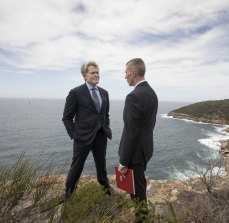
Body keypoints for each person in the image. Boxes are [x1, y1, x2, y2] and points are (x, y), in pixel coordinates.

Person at [62, 61, 112, 200]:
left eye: (97, 72)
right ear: (85, 76)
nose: (96, 75)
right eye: (93, 73)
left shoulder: (104, 93)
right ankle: (69, 193)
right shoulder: (76, 93)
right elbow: (67, 118)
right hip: (82, 138)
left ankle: (106, 189)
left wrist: (105, 127)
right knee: (76, 167)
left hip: (101, 135)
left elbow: (105, 114)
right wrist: (75, 135)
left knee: (101, 165)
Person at [118, 58, 158, 220]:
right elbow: (149, 125)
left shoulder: (133, 97)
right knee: (139, 187)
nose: (125, 76)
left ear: (133, 73)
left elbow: (131, 132)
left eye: (126, 72)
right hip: (145, 150)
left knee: (137, 193)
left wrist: (123, 161)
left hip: (134, 154)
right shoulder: (152, 93)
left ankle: (142, 219)